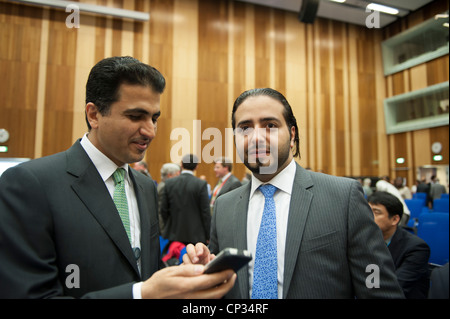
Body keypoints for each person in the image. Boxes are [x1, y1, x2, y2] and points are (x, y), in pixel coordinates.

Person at [0, 56, 235, 299]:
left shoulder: (145, 187)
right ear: (94, 115)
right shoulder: (30, 185)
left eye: (154, 118)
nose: (150, 131)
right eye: (135, 116)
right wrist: (140, 295)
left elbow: (144, 274)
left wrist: (182, 275)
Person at [184, 88, 404, 299]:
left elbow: (376, 285)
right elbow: (223, 285)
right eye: (245, 128)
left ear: (291, 135)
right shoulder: (225, 206)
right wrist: (205, 275)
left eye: (270, 125)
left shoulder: (342, 197)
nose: (256, 137)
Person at [368, 191, 430, 299]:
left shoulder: (416, 248)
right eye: (367, 211)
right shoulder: (363, 240)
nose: (368, 216)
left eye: (376, 212)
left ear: (394, 219)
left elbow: (394, 289)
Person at [160, 154, 211, 245]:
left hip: (174, 233)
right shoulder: (201, 184)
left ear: (181, 164)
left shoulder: (169, 183)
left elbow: (164, 210)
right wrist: (208, 235)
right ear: (196, 166)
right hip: (196, 235)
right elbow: (205, 212)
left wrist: (170, 224)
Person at [157, 162, 181, 232]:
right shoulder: (164, 187)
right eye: (177, 175)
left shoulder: (164, 185)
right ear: (170, 175)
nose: (179, 177)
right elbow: (160, 211)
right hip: (164, 229)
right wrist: (164, 230)